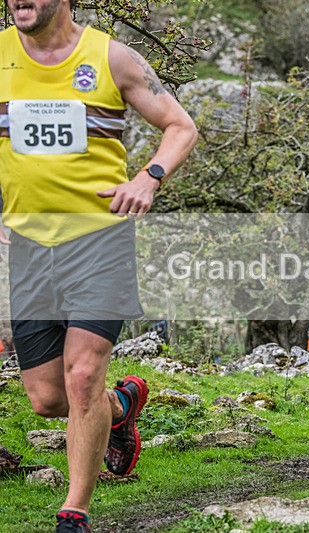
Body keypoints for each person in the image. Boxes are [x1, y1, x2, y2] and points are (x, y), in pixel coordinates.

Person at [0, 1, 198, 531]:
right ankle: (122, 407)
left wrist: (148, 177)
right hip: (28, 245)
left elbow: (180, 125)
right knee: (47, 398)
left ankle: (75, 511)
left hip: (99, 239)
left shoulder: (113, 58)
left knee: (83, 376)